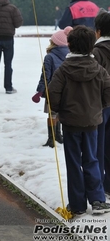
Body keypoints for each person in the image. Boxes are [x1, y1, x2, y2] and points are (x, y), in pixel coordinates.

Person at [48, 25, 110, 217]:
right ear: (92, 46)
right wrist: (99, 107)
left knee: (74, 162)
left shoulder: (63, 70)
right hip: (92, 123)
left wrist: (57, 110)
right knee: (92, 159)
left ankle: (77, 204)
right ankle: (98, 199)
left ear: (69, 45)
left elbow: (53, 93)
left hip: (70, 123)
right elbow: (108, 92)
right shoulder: (98, 70)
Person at [32, 27, 72, 148]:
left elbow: (45, 75)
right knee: (59, 113)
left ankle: (51, 138)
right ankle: (59, 135)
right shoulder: (69, 55)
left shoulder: (49, 57)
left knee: (52, 114)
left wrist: (40, 90)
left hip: (52, 91)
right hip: (65, 91)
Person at [93, 9, 110, 194]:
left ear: (97, 31)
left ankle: (97, 188)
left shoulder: (96, 52)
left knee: (98, 148)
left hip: (100, 105)